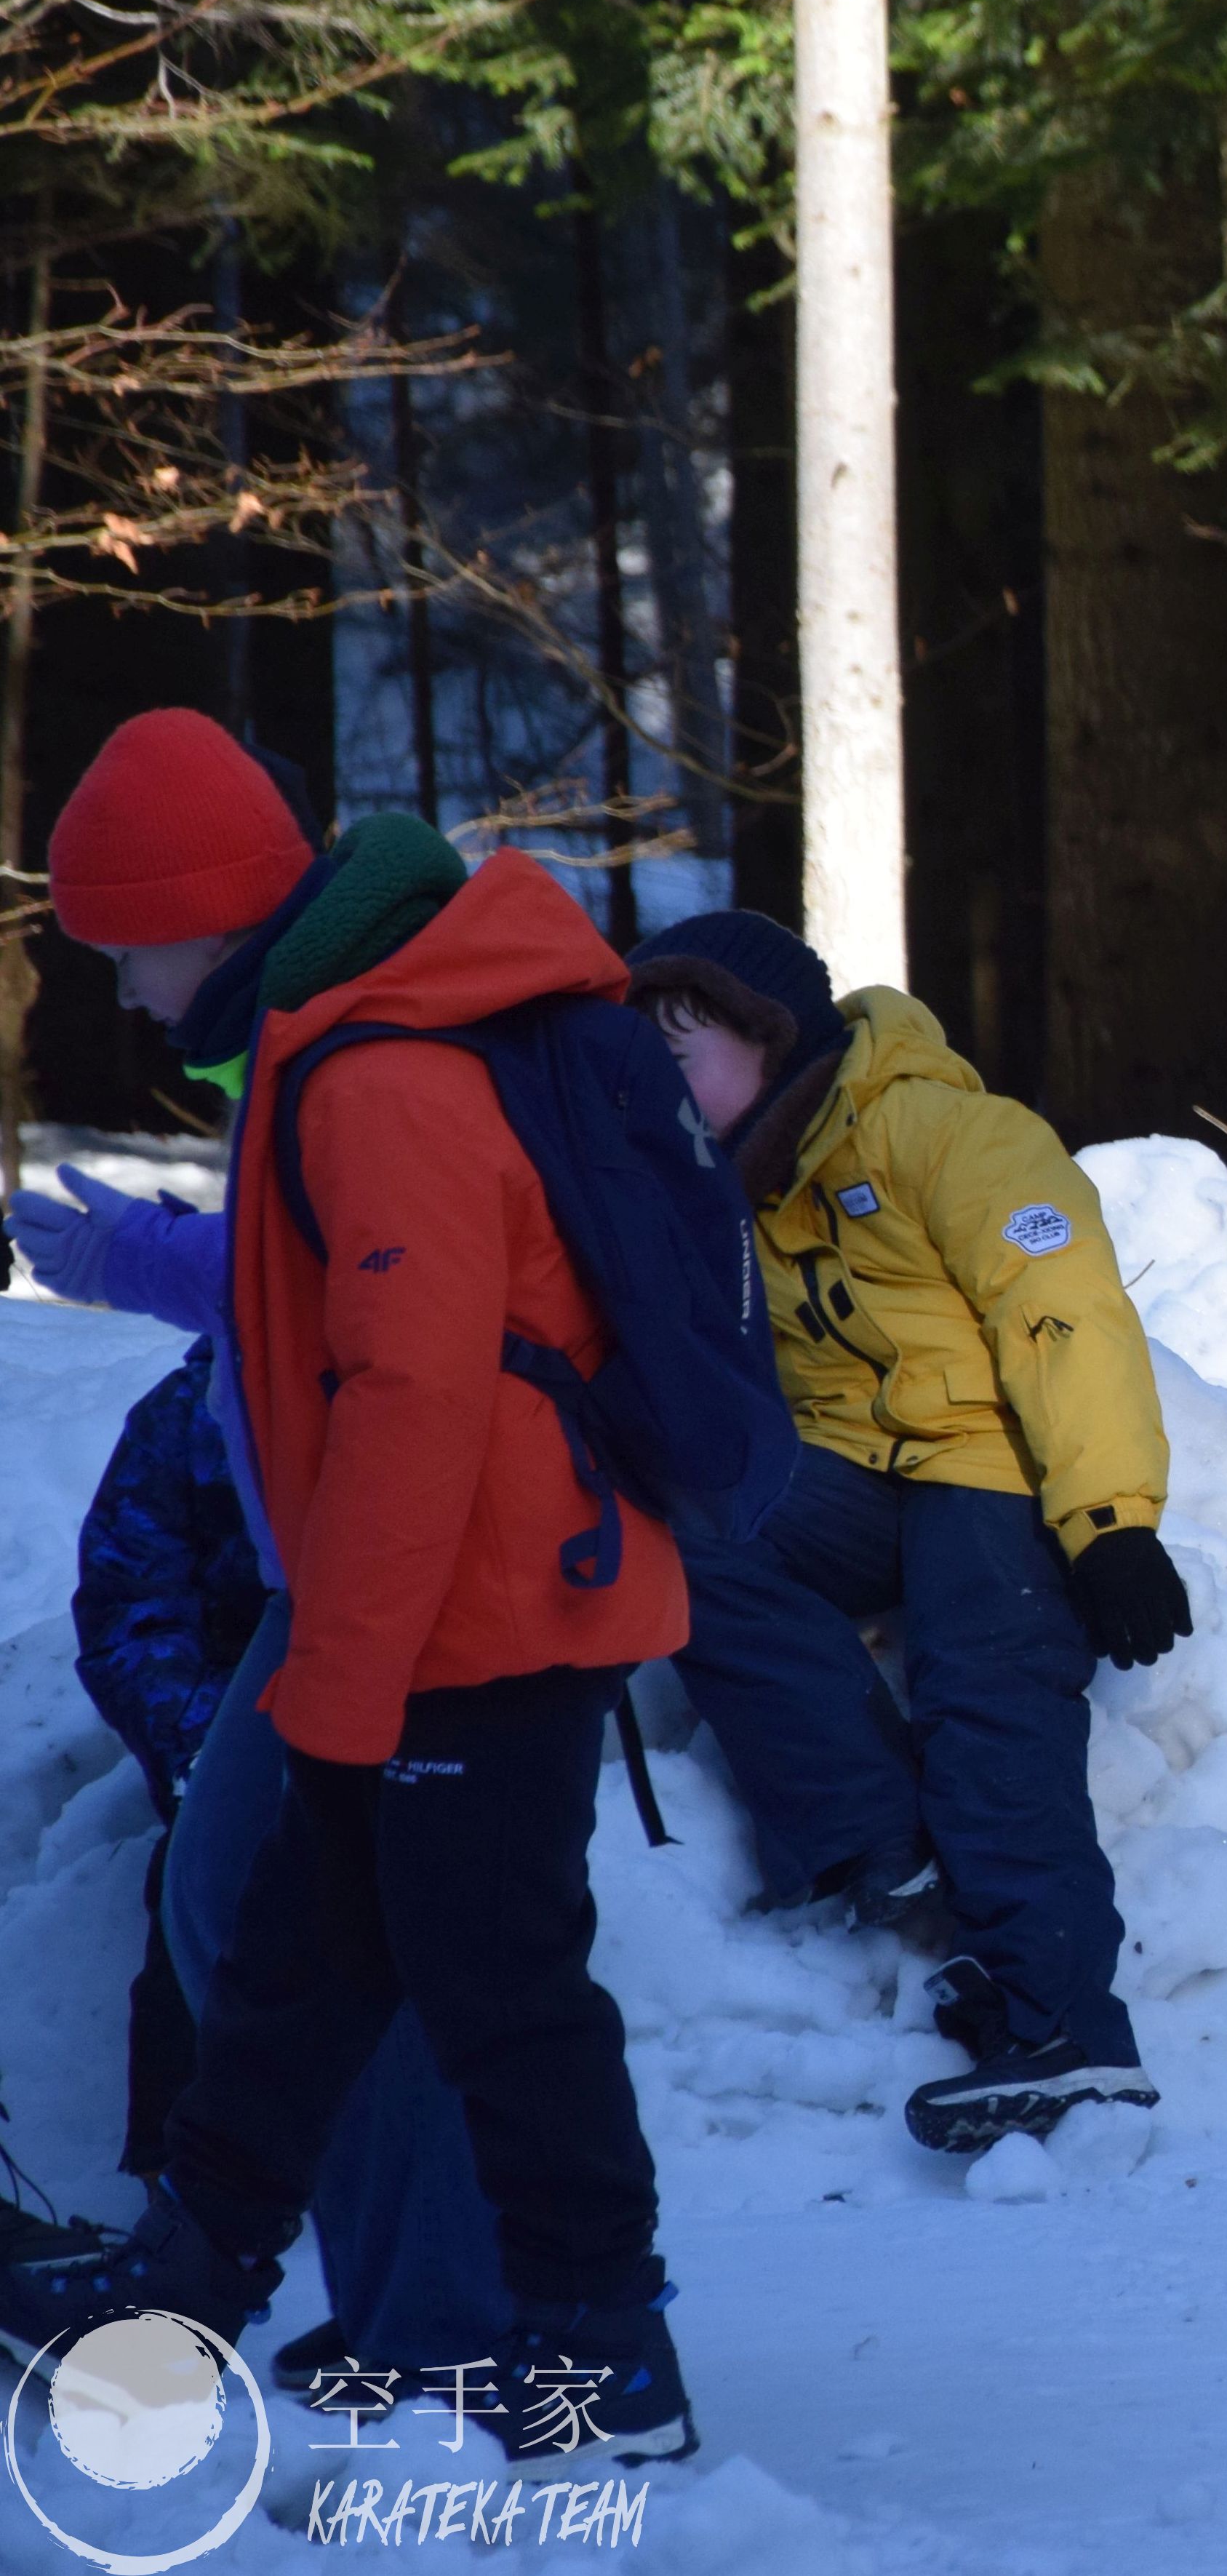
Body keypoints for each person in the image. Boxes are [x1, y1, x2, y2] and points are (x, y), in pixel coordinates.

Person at [0, 713, 698, 2470]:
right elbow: (312, 1297)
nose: (126, 994)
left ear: (201, 913)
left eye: (127, 950)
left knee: (499, 1983)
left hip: (482, 1611)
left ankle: (602, 2349)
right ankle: (186, 2299)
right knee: (295, 1952)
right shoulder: (337, 1036)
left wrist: (347, 1671)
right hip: (424, 1606)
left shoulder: (379, 1067)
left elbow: (415, 1395)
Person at [621, 908, 1190, 2158]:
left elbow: (1062, 1311)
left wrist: (1108, 1522)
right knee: (690, 1543)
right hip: (847, 1475)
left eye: (677, 1053)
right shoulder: (719, 1192)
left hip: (992, 1460)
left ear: (769, 1038)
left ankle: (1068, 2034)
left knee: (988, 1683)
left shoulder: (945, 1129)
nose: (654, 1085)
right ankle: (884, 1840)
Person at [70, 1340, 271, 2190]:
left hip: (410, 1728)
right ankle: (188, 2190)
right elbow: (131, 1607)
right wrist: (204, 1750)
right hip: (234, 1725)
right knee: (211, 1882)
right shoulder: (190, 1414)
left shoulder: (420, 1384)